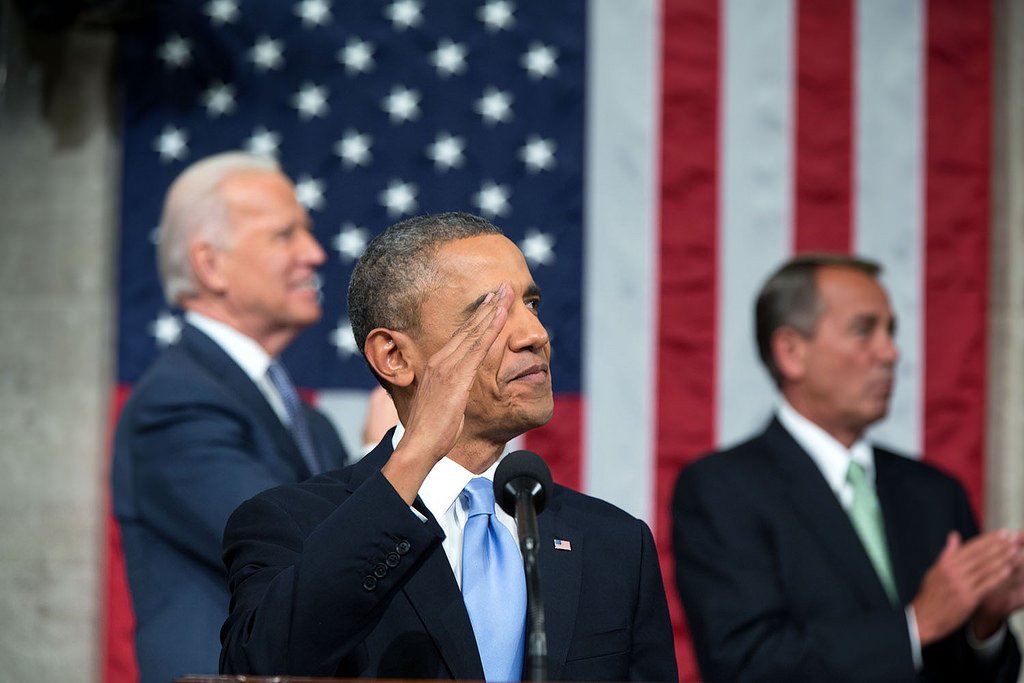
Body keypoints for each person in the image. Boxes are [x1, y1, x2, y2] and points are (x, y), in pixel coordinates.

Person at [219, 211, 678, 681]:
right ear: (395, 357)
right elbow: (260, 665)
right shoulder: (293, 525)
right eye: (491, 312)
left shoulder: (615, 543)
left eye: (532, 304)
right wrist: (418, 451)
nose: (535, 335)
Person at [672, 254, 1024, 682]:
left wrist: (984, 626)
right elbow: (746, 664)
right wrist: (915, 625)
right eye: (864, 330)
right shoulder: (722, 490)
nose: (890, 352)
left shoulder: (935, 492)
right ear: (791, 352)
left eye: (891, 331)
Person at [111, 152, 349, 683]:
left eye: (307, 232)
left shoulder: (313, 425)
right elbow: (297, 551)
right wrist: (400, 463)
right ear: (211, 265)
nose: (314, 253)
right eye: (284, 235)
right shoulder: (175, 402)